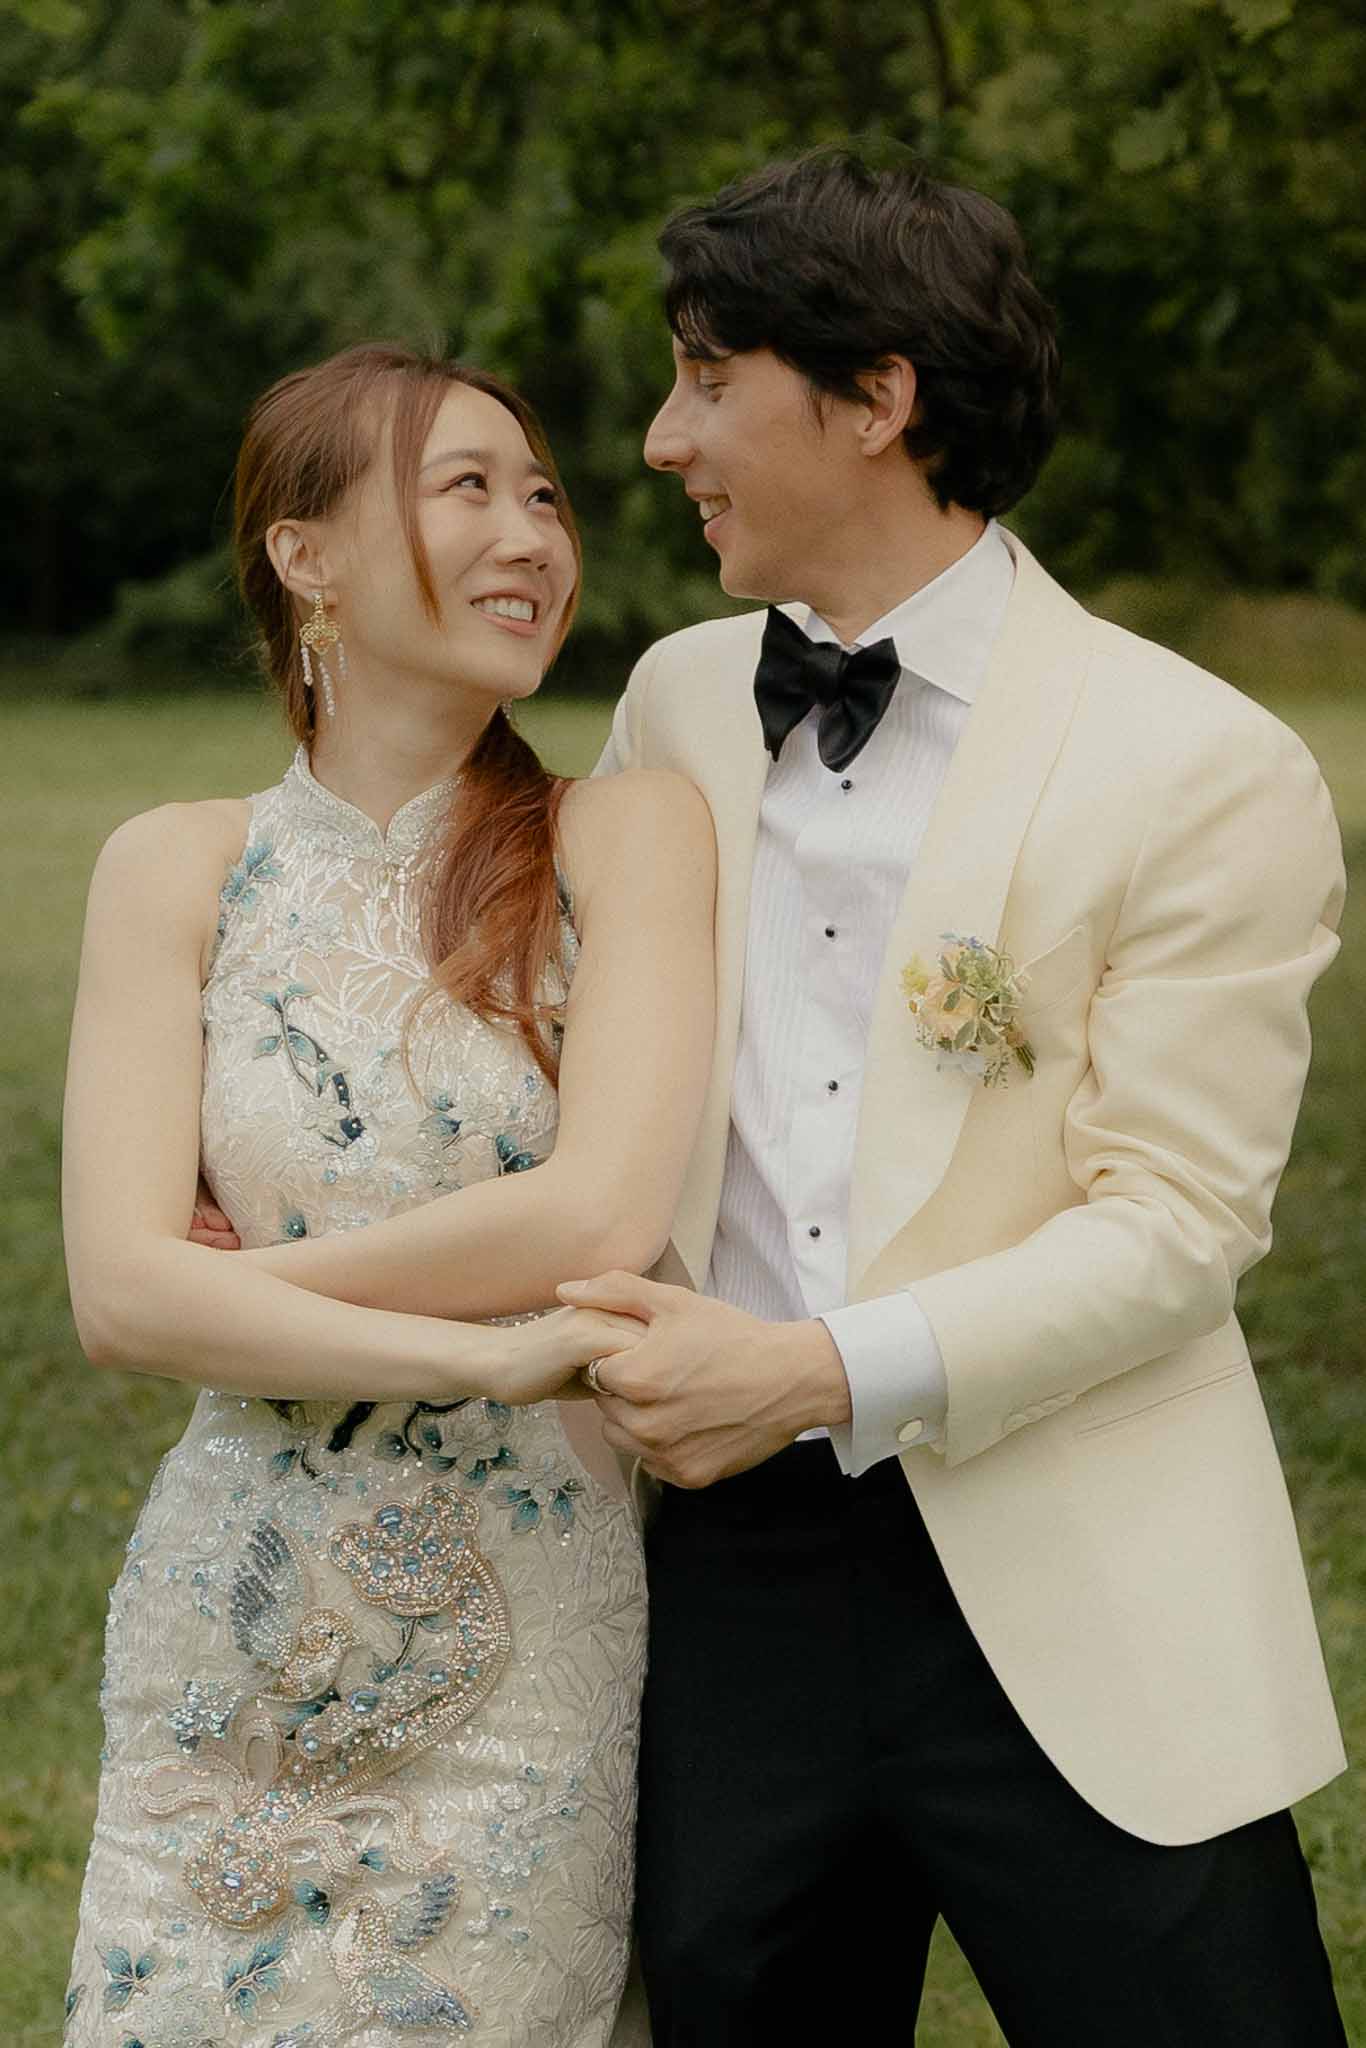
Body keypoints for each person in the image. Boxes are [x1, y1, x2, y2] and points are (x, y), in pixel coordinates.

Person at [560, 152, 1350, 2045]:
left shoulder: (1198, 764)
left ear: (877, 395)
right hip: (728, 1578)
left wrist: (820, 1371)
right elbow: (566, 1051)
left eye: (706, 376)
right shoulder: (674, 701)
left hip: (1083, 1566)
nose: (666, 438)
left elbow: (1173, 1229)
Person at [60, 341, 713, 2047]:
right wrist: (486, 1354)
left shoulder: (621, 835)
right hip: (234, 1622)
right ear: (306, 556)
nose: (532, 537)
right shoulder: (174, 865)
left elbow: (594, 1219)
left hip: (521, 1635)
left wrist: (251, 1293)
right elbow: (117, 1302)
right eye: (469, 490)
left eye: (546, 495)